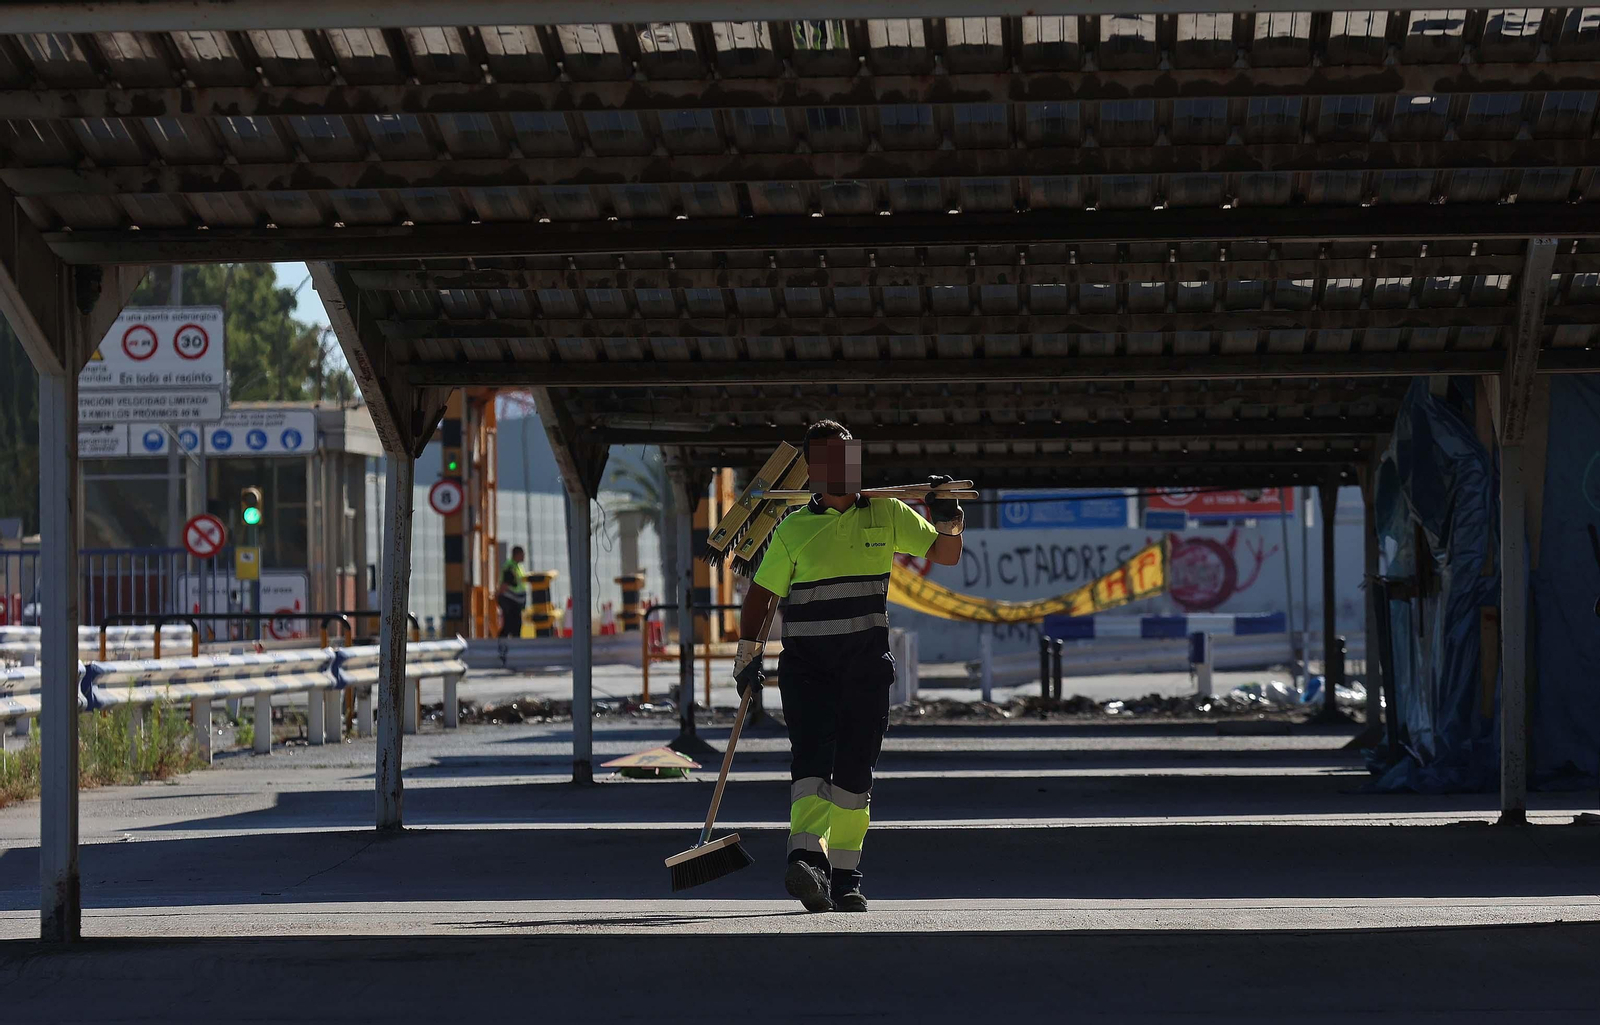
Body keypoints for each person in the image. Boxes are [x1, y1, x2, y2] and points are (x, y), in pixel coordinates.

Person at [734, 420, 964, 912]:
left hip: (864, 666)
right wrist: (747, 656)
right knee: (811, 764)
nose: (841, 468)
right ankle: (806, 860)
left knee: (855, 772)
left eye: (847, 457)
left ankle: (845, 876)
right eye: (828, 460)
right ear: (813, 470)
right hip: (808, 667)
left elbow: (946, 554)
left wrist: (947, 516)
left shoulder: (889, 513)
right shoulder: (794, 528)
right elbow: (761, 597)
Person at [497, 546, 528, 639]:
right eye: (522, 554)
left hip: (515, 601)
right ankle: (502, 644)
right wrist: (499, 596)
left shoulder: (518, 567)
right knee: (510, 624)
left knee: (515, 625)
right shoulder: (510, 567)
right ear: (517, 555)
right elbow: (505, 584)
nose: (524, 557)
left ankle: (512, 643)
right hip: (509, 600)